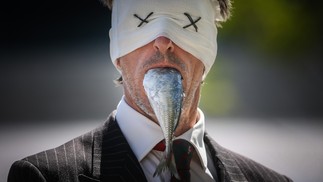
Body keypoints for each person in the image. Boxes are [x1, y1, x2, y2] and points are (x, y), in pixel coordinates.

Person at [8, 0, 293, 181]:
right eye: (141, 21)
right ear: (116, 48)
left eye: (188, 22)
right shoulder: (43, 176)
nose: (162, 40)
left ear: (210, 46)